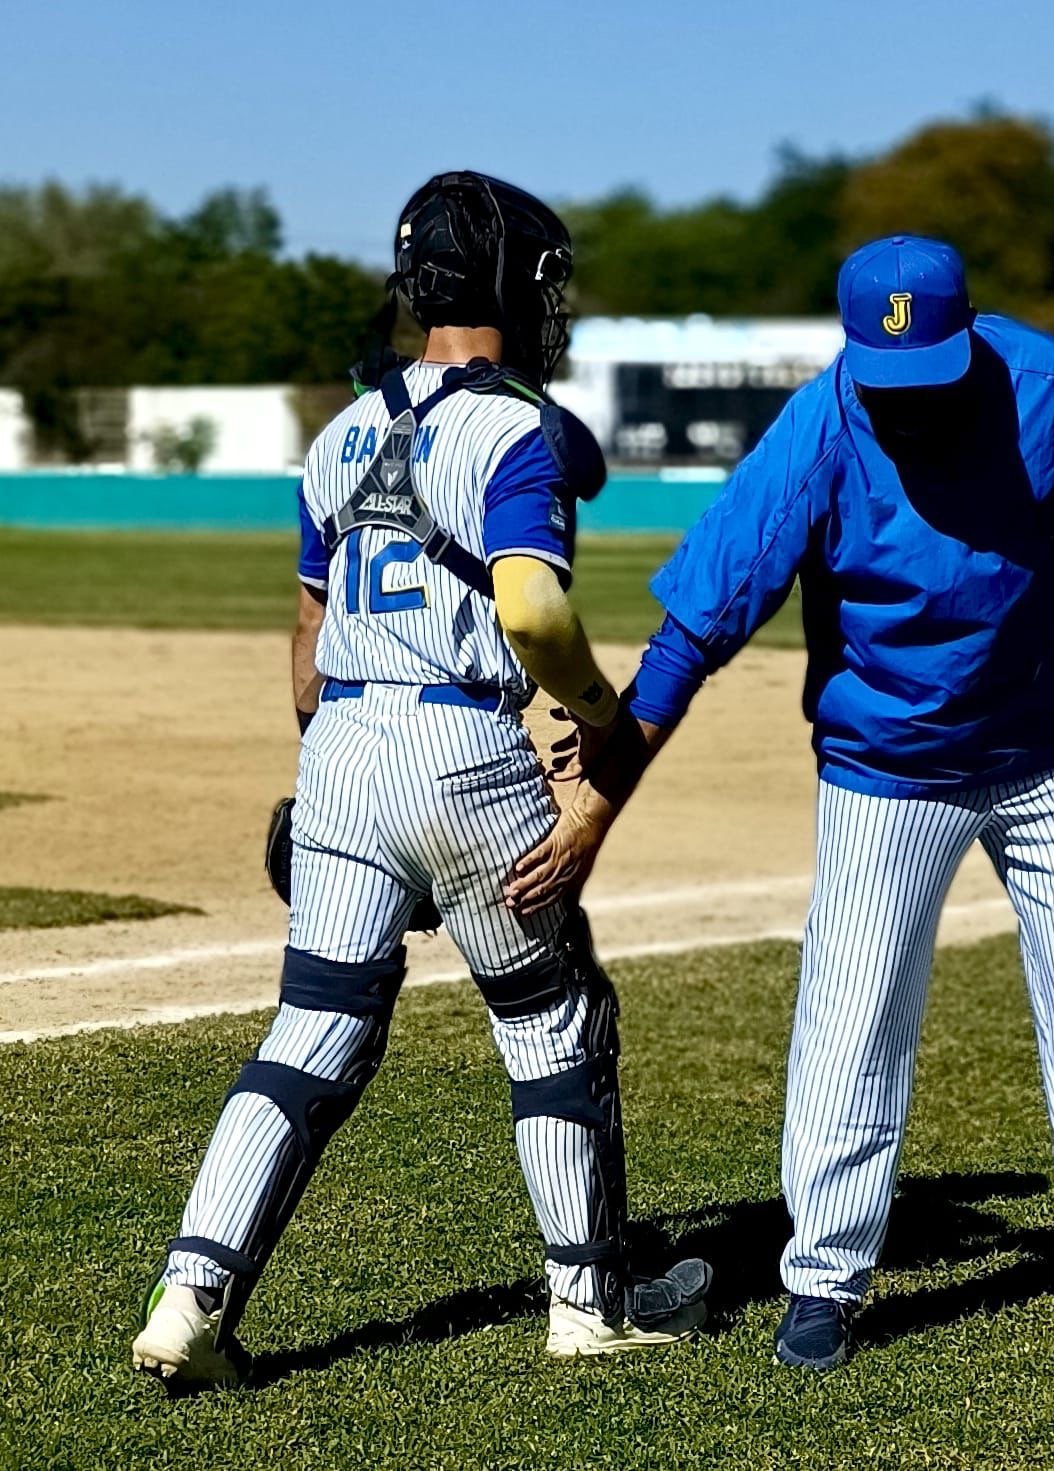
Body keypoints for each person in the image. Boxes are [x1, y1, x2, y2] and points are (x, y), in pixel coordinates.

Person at [504, 235, 1054, 1371]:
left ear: (970, 338)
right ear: (853, 353)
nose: (908, 402)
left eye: (932, 374)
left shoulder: (1043, 387)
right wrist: (595, 809)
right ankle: (823, 1277)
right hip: (887, 770)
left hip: (1052, 750)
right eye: (886, 380)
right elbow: (692, 634)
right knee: (854, 1015)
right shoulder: (818, 431)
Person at [131, 170, 708, 1385]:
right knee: (551, 1017)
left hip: (342, 746)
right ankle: (586, 1303)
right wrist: (600, 716)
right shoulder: (515, 432)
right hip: (464, 748)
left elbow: (307, 638)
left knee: (312, 1027)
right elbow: (531, 610)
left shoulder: (336, 435)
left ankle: (189, 1301)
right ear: (508, 285)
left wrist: (338, 788)